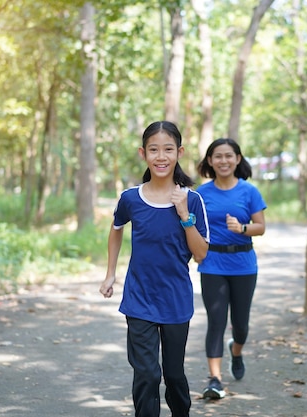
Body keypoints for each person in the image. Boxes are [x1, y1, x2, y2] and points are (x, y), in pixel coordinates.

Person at [99, 120, 209, 417]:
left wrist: (184, 213)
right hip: (139, 299)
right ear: (143, 154)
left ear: (180, 152)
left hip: (175, 300)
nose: (161, 157)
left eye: (168, 149)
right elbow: (116, 228)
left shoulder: (193, 199)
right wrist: (111, 273)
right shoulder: (131, 198)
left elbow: (201, 254)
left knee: (173, 376)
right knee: (147, 375)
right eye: (154, 150)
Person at [195, 138, 266, 400]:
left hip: (244, 265)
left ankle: (236, 351)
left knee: (241, 325)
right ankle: (215, 380)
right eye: (217, 156)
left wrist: (242, 228)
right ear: (210, 161)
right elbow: (191, 227)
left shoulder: (249, 192)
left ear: (238, 159)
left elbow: (261, 226)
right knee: (216, 322)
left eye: (229, 156)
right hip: (212, 263)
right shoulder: (201, 194)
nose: (223, 161)